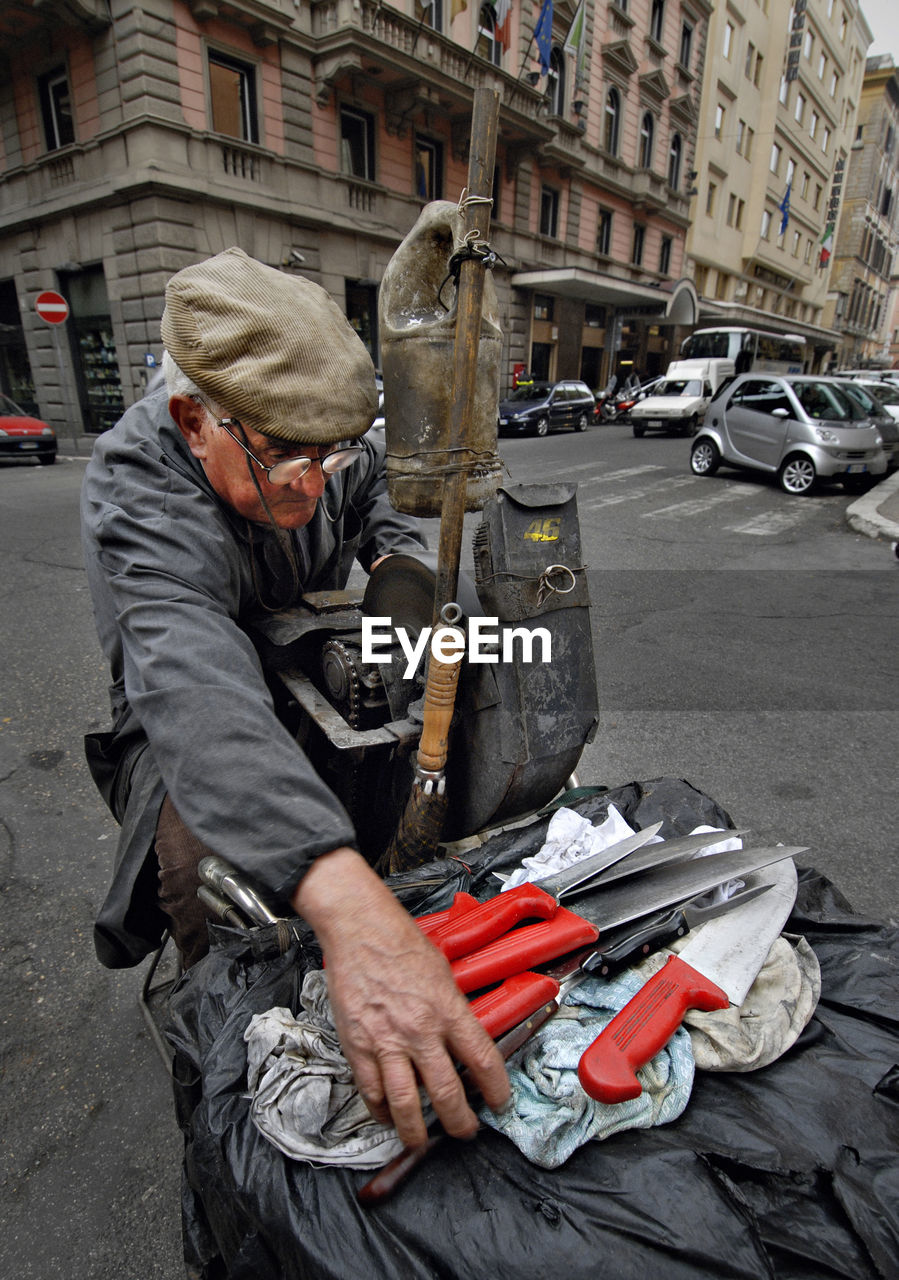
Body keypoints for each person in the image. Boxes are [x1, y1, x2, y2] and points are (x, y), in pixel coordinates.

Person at [81, 246, 509, 1147]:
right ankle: (232, 1036)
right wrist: (355, 915)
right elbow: (194, 679)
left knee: (391, 771)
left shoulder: (305, 437)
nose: (313, 485)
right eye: (284, 459)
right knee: (205, 866)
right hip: (188, 706)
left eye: (330, 453)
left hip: (303, 658)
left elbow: (376, 501)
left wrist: (399, 570)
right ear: (196, 420)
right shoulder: (138, 483)